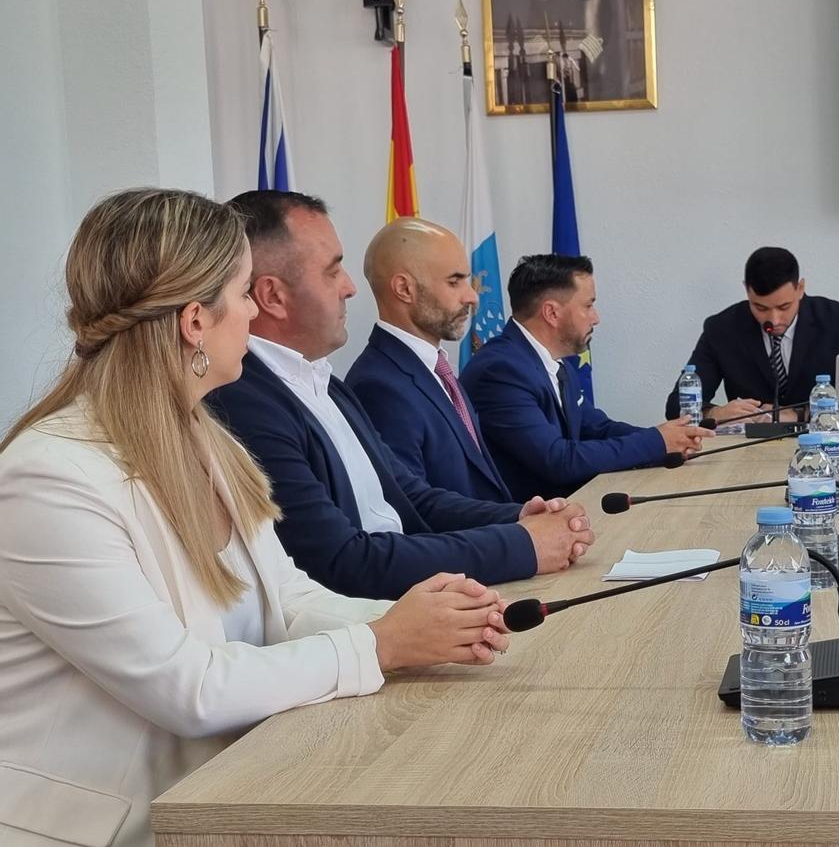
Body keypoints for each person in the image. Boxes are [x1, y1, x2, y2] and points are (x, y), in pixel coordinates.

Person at [0, 189, 512, 847]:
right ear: (194, 322)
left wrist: (436, 621)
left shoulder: (211, 442)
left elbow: (287, 601)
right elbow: (186, 689)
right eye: (243, 294)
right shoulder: (47, 479)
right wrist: (382, 642)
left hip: (225, 797)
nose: (251, 313)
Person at [208, 191, 593, 601]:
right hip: (376, 622)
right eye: (333, 271)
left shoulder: (325, 382)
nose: (351, 288)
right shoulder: (244, 403)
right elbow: (341, 561)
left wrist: (520, 517)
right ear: (272, 296)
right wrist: (522, 546)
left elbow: (410, 496)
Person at [461, 253, 712, 502]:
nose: (596, 317)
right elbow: (557, 460)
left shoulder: (557, 363)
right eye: (588, 305)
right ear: (552, 313)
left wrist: (672, 439)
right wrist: (656, 442)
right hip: (520, 524)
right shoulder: (500, 371)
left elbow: (597, 428)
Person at [346, 218, 512, 503]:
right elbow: (416, 510)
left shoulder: (436, 368)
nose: (472, 296)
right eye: (454, 281)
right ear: (404, 289)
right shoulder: (378, 387)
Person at [664, 247, 839, 423]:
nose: (773, 319)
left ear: (800, 288)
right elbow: (676, 405)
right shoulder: (722, 329)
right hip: (750, 450)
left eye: (784, 306)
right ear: (747, 290)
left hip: (827, 442)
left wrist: (799, 414)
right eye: (761, 308)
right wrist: (715, 413)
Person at [527, 0, 614, 101]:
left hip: (587, 68)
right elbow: (534, 30)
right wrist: (553, 58)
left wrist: (579, 55)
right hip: (552, 69)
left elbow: (606, 25)